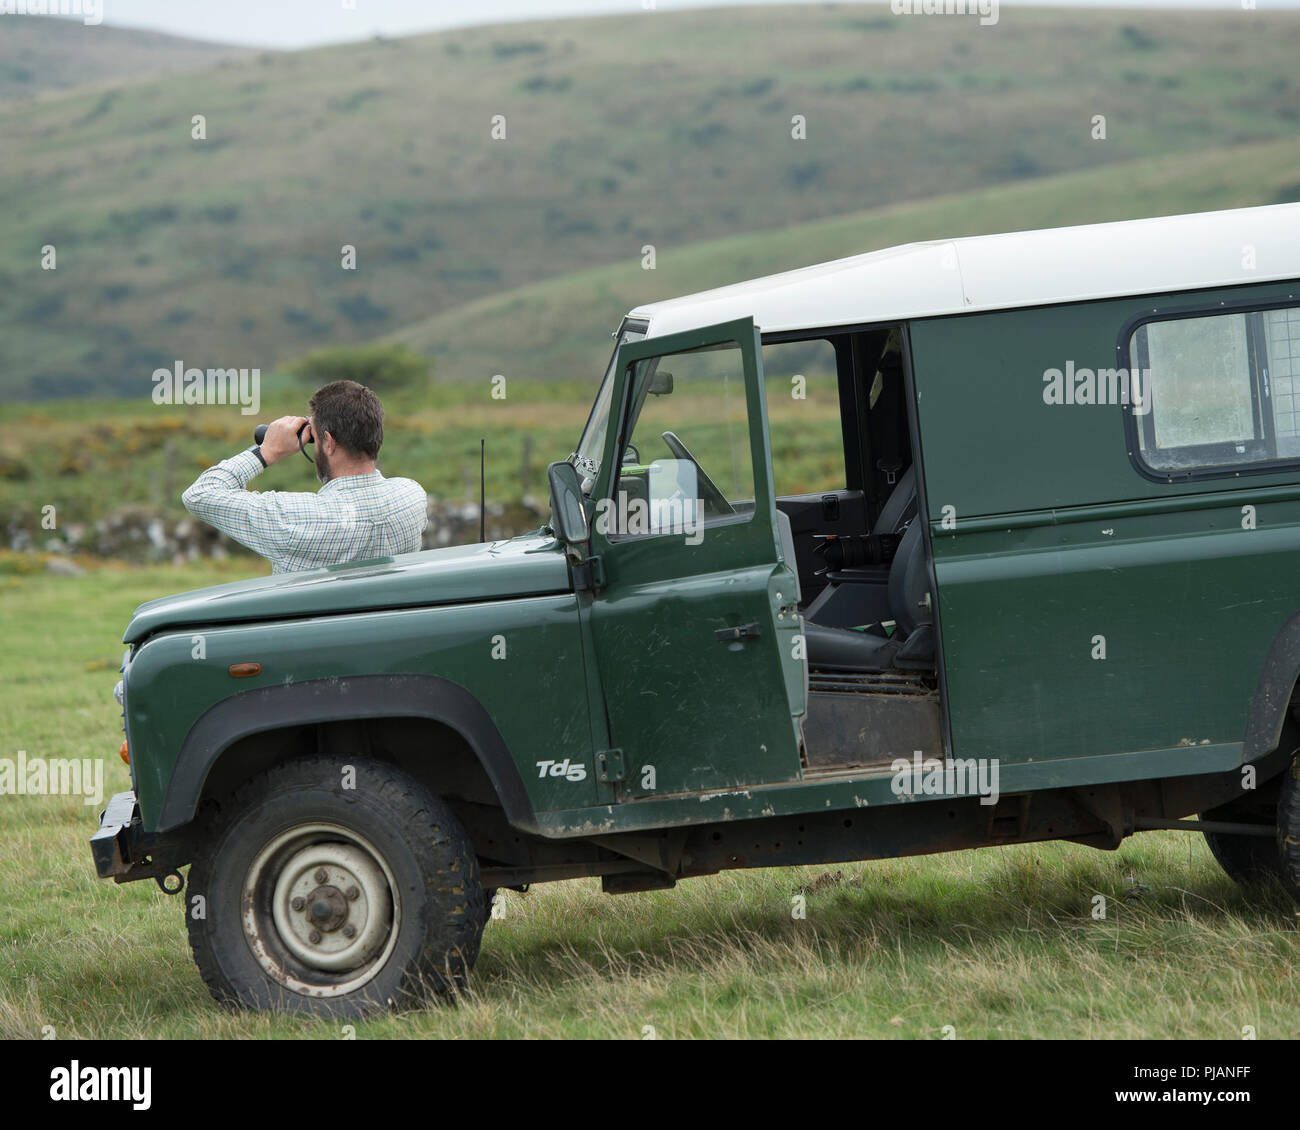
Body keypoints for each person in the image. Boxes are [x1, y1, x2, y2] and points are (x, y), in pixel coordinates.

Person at [182, 379, 427, 573]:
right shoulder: (411, 497)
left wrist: (266, 452)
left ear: (329, 442)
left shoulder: (293, 518)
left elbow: (200, 494)